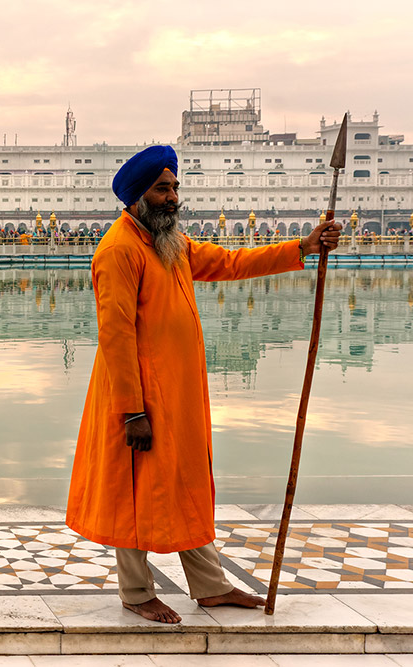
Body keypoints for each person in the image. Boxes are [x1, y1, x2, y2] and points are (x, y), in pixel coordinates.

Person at [65, 144, 341, 624]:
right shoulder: (119, 250)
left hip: (180, 395)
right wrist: (131, 411)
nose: (172, 197)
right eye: (162, 188)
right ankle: (135, 592)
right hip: (141, 397)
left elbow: (231, 264)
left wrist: (302, 247)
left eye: (175, 188)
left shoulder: (170, 244)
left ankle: (210, 586)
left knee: (185, 484)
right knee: (136, 490)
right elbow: (115, 335)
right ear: (137, 196)